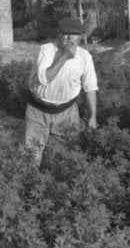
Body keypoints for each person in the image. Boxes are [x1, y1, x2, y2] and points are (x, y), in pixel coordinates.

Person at [24, 17, 98, 166]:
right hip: (38, 110)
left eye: (75, 34)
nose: (70, 38)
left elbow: (90, 88)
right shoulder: (46, 50)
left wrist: (93, 116)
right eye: (66, 34)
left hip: (67, 112)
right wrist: (64, 57)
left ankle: (58, 182)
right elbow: (45, 78)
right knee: (31, 153)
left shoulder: (85, 57)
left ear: (81, 37)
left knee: (68, 153)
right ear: (58, 34)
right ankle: (30, 183)